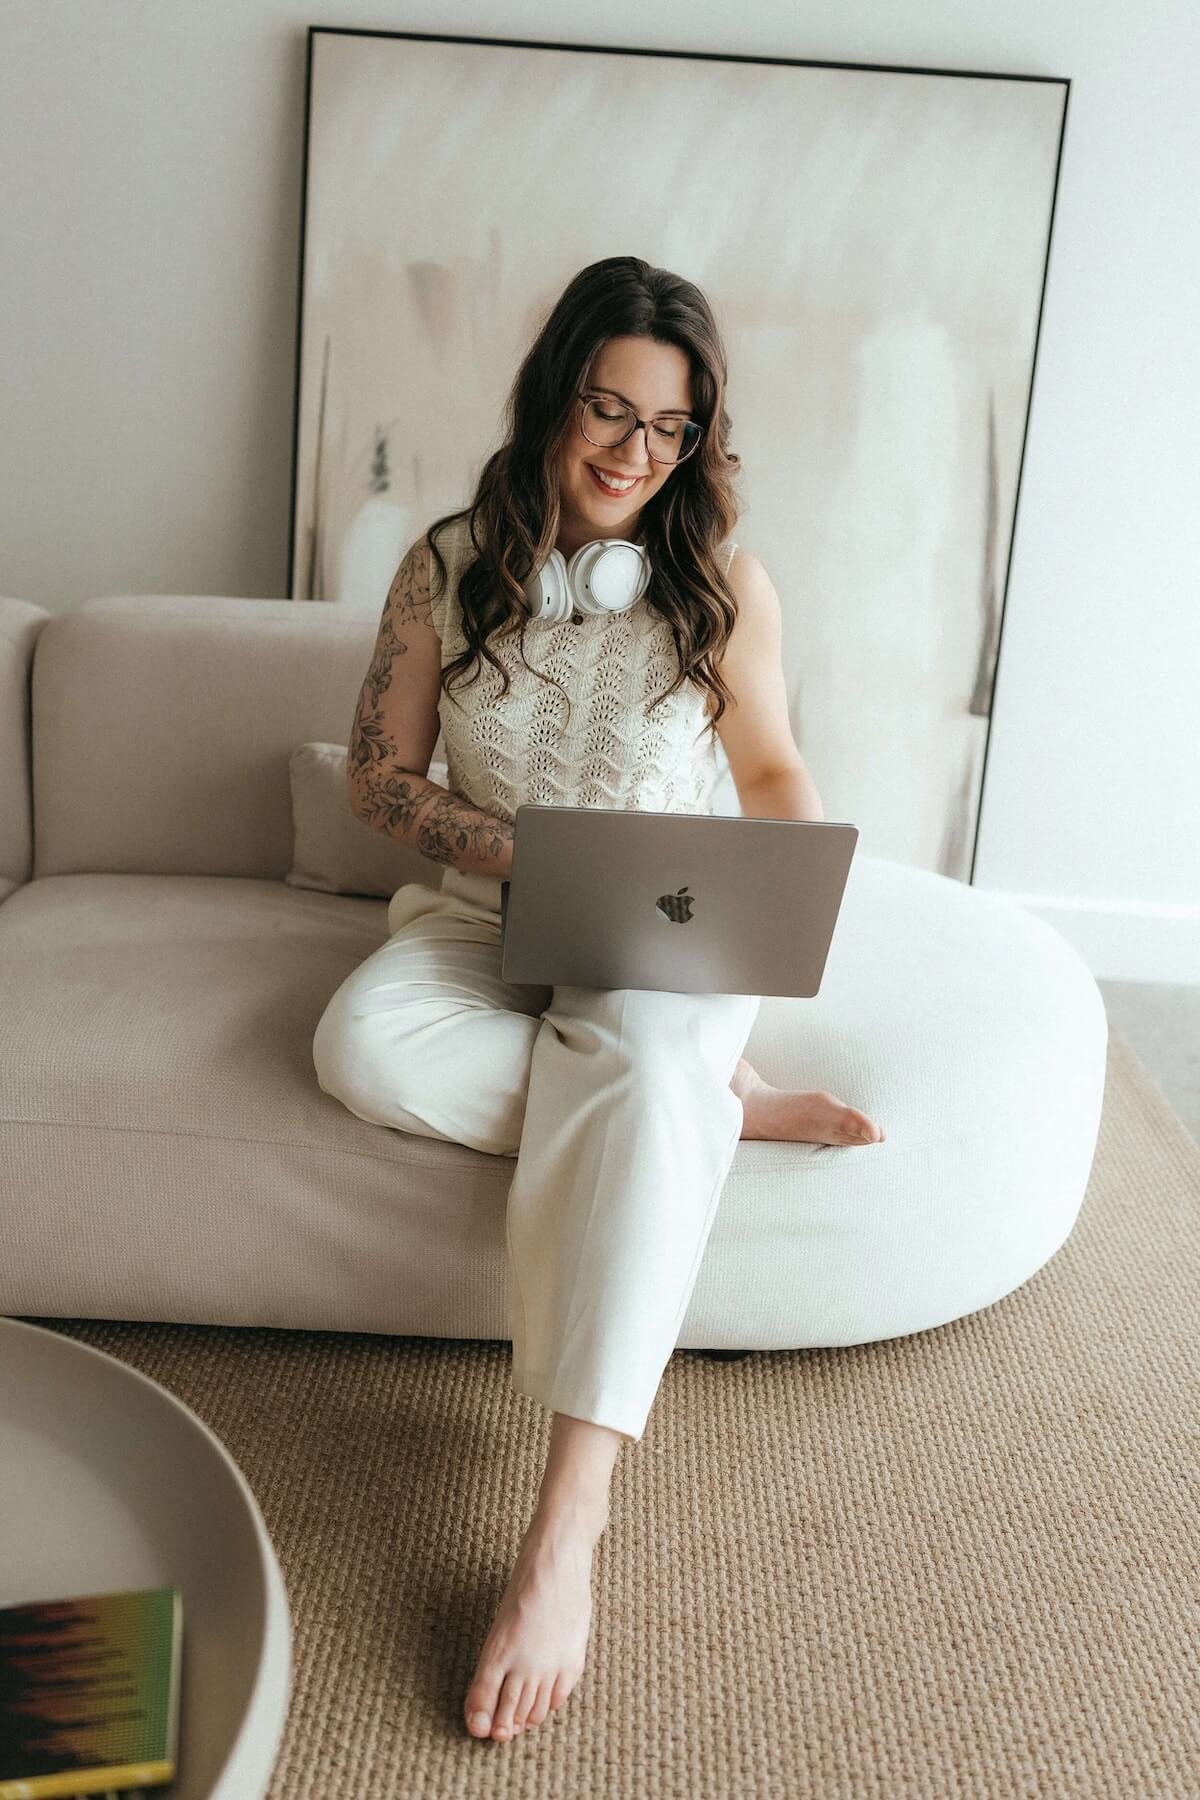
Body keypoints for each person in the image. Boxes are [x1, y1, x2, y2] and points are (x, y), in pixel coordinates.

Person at [312, 255, 885, 1746]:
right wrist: (515, 855)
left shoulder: (722, 585)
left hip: (660, 936)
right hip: (481, 911)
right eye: (608, 411)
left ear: (699, 439)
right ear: (554, 398)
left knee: (644, 1049)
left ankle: (566, 1532)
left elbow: (768, 779)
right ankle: (698, 1106)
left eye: (671, 428)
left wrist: (778, 912)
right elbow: (380, 780)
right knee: (358, 1044)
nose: (634, 455)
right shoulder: (446, 562)